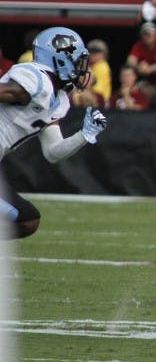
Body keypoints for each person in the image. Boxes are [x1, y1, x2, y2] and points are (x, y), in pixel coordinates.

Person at [0, 27, 109, 238]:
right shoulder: (35, 78)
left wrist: (84, 135)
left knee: (28, 220)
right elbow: (10, 91)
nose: (82, 69)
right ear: (60, 59)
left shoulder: (60, 100)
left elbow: (53, 152)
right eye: (78, 62)